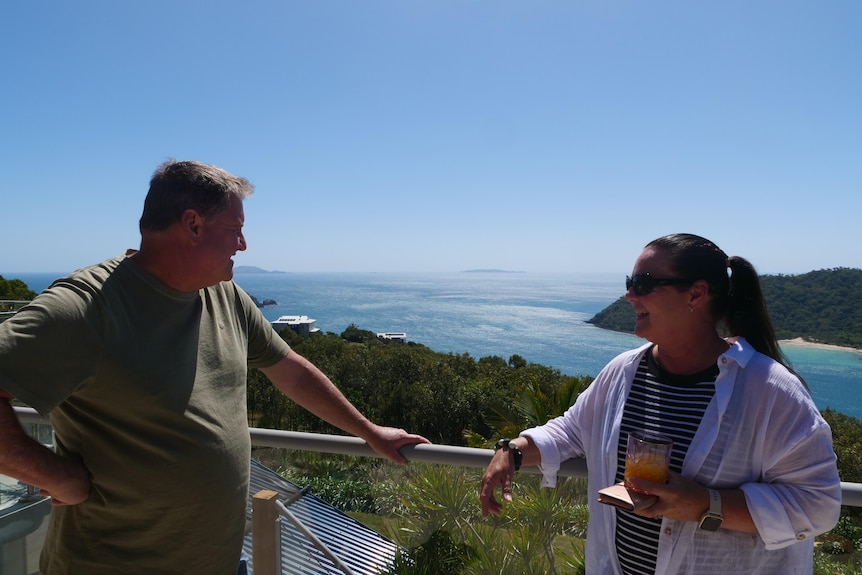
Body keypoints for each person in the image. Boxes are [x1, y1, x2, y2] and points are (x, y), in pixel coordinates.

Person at [0, 160, 430, 575]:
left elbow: (292, 371)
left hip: (218, 561)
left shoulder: (224, 296)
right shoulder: (88, 307)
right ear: (192, 225)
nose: (242, 245)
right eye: (235, 229)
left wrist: (368, 431)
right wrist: (55, 475)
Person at [479, 233, 841, 574]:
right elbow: (572, 429)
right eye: (629, 282)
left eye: (643, 284)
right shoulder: (623, 372)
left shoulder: (770, 391)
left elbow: (818, 506)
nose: (629, 296)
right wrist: (512, 450)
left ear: (696, 294)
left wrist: (705, 504)